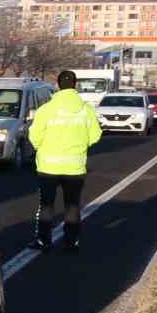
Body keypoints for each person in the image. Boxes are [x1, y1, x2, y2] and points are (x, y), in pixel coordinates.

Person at [28, 70, 102, 252]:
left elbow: (34, 136)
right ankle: (72, 242)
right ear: (75, 85)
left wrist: (42, 148)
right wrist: (80, 144)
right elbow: (95, 135)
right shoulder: (86, 110)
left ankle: (43, 241)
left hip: (48, 166)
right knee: (72, 206)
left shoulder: (46, 109)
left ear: (58, 86)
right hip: (75, 167)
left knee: (46, 206)